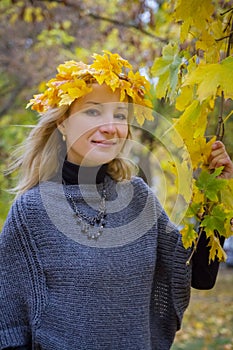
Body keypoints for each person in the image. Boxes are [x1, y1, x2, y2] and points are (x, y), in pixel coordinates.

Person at [0, 51, 233, 350]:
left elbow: (200, 274)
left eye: (120, 115)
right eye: (93, 111)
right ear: (62, 123)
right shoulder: (32, 212)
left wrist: (215, 193)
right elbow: (10, 330)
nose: (110, 126)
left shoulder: (139, 200)